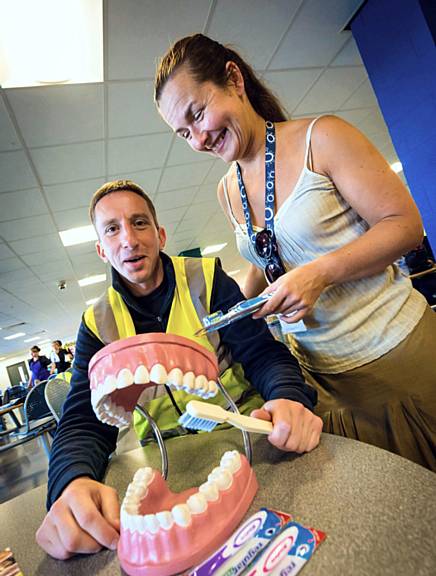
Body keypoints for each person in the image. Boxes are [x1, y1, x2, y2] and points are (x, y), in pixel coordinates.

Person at [155, 33, 436, 471]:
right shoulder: (227, 190)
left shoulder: (320, 137)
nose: (198, 139)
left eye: (199, 114)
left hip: (398, 356)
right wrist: (218, 323)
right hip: (319, 379)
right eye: (183, 132)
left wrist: (319, 273)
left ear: (234, 79)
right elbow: (266, 262)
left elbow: (405, 226)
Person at [36, 179, 322, 560]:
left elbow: (262, 354)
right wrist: (70, 482)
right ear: (101, 250)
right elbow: (84, 420)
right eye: (112, 229)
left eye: (139, 223)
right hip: (167, 467)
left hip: (249, 441)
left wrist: (288, 396)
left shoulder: (207, 278)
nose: (129, 239)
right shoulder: (96, 322)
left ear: (160, 234)